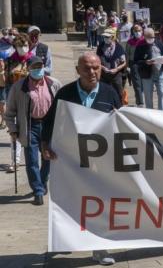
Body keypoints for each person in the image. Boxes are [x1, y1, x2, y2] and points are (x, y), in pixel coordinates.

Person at [41, 52, 120, 265]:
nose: (92, 72)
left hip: (100, 163)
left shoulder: (109, 92)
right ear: (77, 70)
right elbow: (49, 121)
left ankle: (100, 248)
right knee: (70, 201)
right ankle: (68, 239)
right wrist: (44, 144)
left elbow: (121, 122)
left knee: (100, 203)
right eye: (87, 68)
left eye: (96, 67)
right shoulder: (65, 94)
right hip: (70, 161)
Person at [3, 56, 61, 203]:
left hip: (49, 126)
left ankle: (42, 181)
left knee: (48, 158)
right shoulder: (18, 88)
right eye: (34, 67)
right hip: (29, 127)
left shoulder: (54, 84)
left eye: (40, 66)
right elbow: (9, 113)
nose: (38, 69)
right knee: (32, 160)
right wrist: (13, 129)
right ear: (28, 69)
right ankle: (38, 191)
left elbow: (63, 106)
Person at [134, 28, 163, 110]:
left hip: (159, 72)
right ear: (144, 37)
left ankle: (162, 113)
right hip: (147, 75)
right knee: (148, 96)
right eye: (149, 37)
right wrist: (146, 62)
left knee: (162, 94)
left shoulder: (159, 43)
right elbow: (136, 61)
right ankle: (150, 114)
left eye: (152, 37)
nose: (151, 39)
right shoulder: (140, 45)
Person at [96, 28, 127, 99]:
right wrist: (103, 68)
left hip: (116, 75)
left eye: (107, 37)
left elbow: (124, 62)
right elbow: (97, 61)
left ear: (113, 37)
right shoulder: (100, 47)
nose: (105, 38)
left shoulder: (119, 47)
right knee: (104, 94)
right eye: (104, 37)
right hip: (104, 75)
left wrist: (116, 69)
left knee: (119, 94)